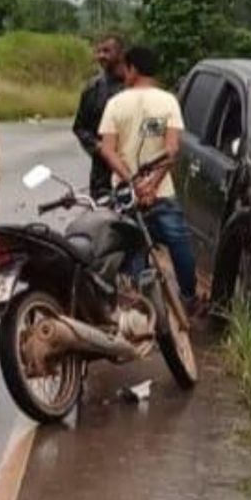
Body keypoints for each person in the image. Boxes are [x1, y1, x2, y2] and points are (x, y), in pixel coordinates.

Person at [97, 45, 199, 313]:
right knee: (179, 246)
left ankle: (141, 310)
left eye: (126, 69)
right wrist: (151, 184)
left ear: (132, 69)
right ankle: (189, 299)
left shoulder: (115, 103)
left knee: (133, 249)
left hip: (125, 193)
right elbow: (172, 150)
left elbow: (107, 150)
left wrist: (133, 182)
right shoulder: (169, 102)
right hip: (161, 192)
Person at [74, 34, 127, 198]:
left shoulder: (133, 86)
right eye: (99, 51)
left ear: (120, 54)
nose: (101, 56)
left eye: (106, 51)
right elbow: (80, 127)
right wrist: (98, 146)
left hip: (132, 168)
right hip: (102, 173)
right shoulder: (92, 89)